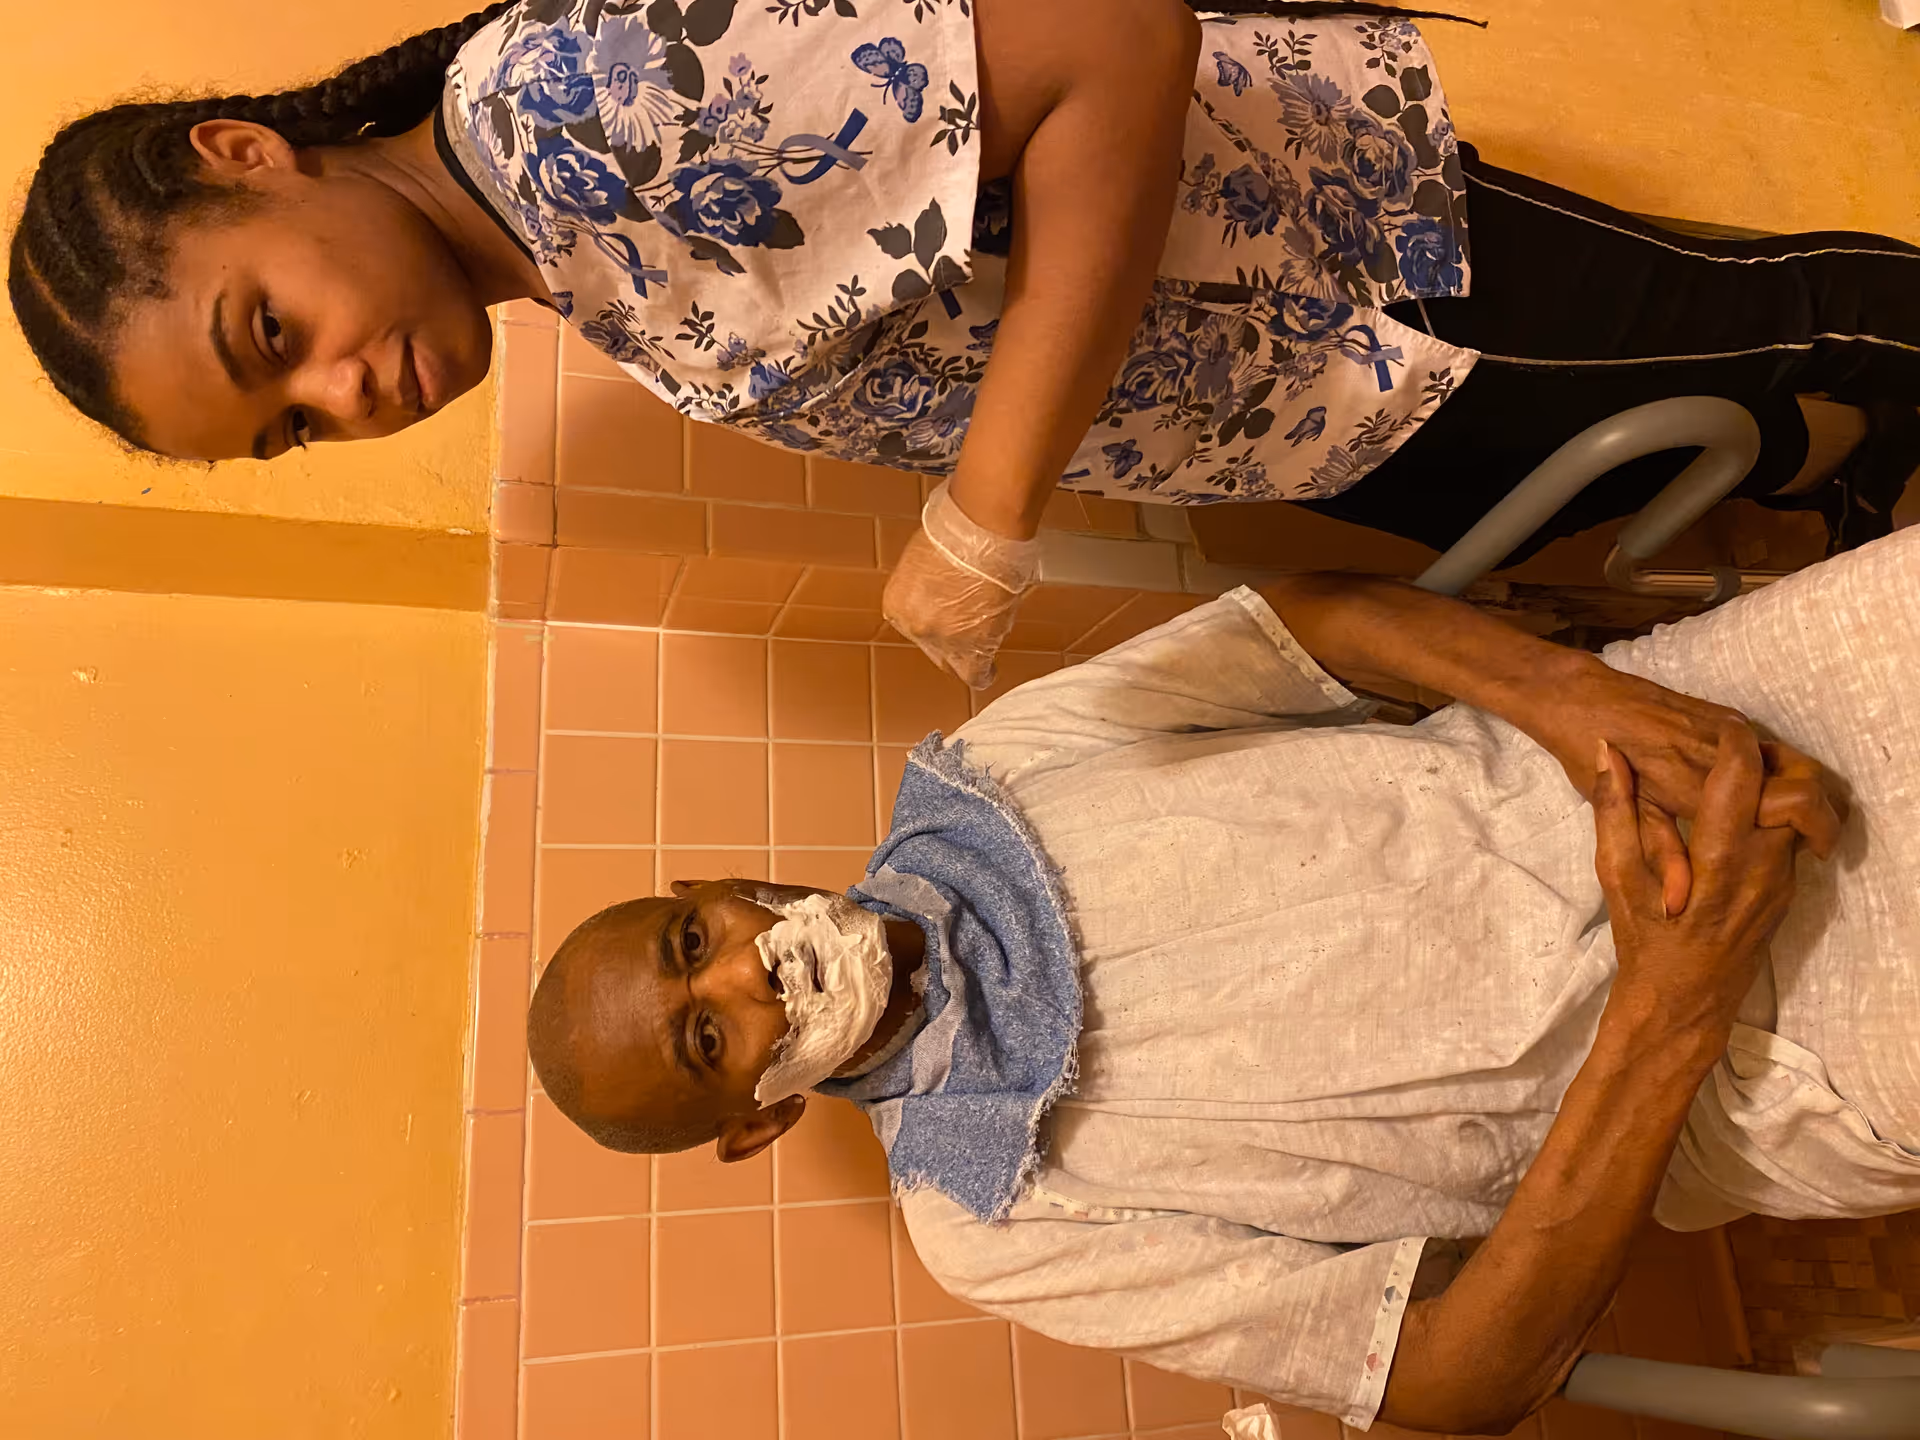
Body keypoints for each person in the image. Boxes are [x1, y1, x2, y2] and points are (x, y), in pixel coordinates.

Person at [11, 0, 1919, 686]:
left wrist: (986, 514)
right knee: (1724, 426)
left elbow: (1113, 38)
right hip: (1305, 410)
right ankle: (1878, 475)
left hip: (1347, 270)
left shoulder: (578, 105)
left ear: (249, 155)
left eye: (276, 331)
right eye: (288, 429)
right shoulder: (550, 251)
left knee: (1772, 334)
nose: (344, 395)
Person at [524, 524, 1920, 1434]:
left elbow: (1304, 624)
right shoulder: (988, 1225)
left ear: (713, 885)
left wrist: (1587, 702)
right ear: (761, 1119)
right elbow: (1452, 1381)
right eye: (709, 1042)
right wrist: (1674, 1002)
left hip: (1664, 742)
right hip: (1759, 1053)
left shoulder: (991, 770)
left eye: (689, 945)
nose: (753, 978)